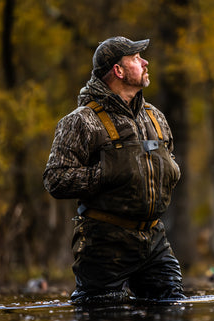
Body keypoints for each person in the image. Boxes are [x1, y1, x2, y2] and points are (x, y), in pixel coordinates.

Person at [43, 36, 185, 305]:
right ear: (118, 71)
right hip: (104, 244)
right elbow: (55, 179)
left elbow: (168, 160)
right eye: (135, 58)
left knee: (172, 311)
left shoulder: (155, 117)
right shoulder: (81, 121)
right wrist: (105, 174)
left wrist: (170, 170)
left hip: (154, 239)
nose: (145, 62)